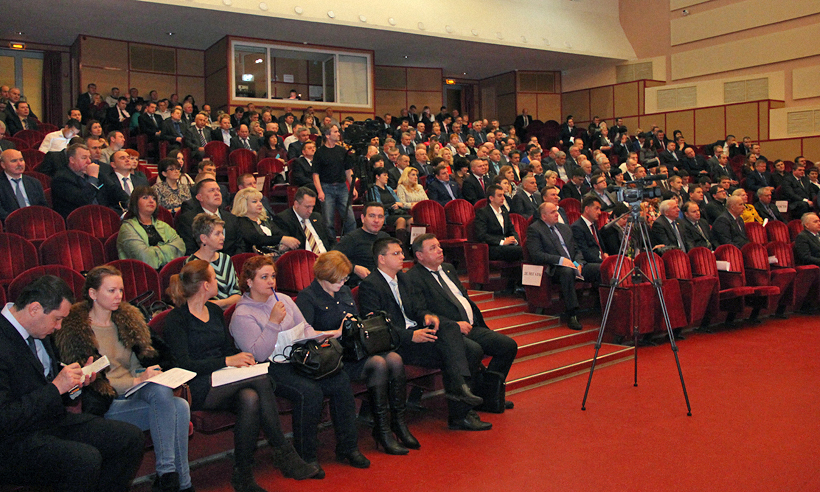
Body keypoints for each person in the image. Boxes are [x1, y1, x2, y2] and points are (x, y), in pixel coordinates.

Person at [164, 260, 319, 491]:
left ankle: (243, 473)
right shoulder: (176, 319)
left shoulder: (214, 311)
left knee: (250, 398)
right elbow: (184, 364)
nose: (218, 282)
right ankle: (283, 451)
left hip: (224, 379)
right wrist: (227, 362)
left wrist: (239, 360)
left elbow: (226, 349)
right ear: (205, 285)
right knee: (261, 379)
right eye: (214, 278)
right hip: (196, 385)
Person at [0, 275, 144, 492]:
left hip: (49, 422)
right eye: (57, 319)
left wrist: (77, 384)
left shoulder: (39, 330)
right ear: (34, 309)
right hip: (12, 439)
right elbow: (5, 417)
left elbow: (60, 396)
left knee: (130, 438)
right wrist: (56, 387)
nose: (59, 327)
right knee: (84, 460)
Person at [54, 266, 192, 492]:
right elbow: (94, 382)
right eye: (111, 290)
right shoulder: (75, 331)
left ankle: (171, 478)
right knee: (179, 406)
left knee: (167, 395)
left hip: (136, 393)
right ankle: (176, 480)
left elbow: (136, 366)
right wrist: (136, 381)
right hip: (107, 402)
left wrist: (147, 375)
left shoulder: (127, 321)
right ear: (93, 294)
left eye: (120, 290)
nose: (118, 295)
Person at [229, 256, 369, 475]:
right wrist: (273, 322)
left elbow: (305, 329)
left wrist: (328, 335)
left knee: (340, 380)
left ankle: (348, 447)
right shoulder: (242, 314)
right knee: (309, 392)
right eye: (264, 277)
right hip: (268, 369)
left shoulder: (283, 299)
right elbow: (258, 354)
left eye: (273, 276)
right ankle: (306, 456)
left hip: (295, 357)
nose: (271, 281)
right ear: (249, 281)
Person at [358, 238, 491, 431]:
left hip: (418, 333)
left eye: (401, 252)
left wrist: (426, 316)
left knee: (463, 341)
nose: (402, 257)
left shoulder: (403, 279)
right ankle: (460, 398)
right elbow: (378, 326)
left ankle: (460, 400)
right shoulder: (370, 285)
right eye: (396, 253)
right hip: (399, 343)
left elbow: (417, 309)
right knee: (464, 349)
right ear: (382, 259)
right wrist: (410, 336)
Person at [295, 251, 419, 454]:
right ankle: (382, 429)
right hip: (331, 357)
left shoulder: (343, 291)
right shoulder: (307, 297)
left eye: (345, 278)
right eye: (339, 278)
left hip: (355, 349)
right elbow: (303, 335)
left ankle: (397, 423)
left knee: (395, 359)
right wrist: (336, 332)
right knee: (378, 364)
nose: (343, 282)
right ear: (325, 275)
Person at [406, 234, 518, 410]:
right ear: (419, 255)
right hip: (447, 332)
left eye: (439, 246)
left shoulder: (448, 268)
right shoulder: (413, 278)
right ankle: (467, 403)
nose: (440, 250)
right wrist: (454, 325)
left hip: (471, 326)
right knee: (474, 350)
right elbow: (420, 312)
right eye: (433, 248)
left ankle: (488, 396)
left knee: (507, 346)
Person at [527, 202, 601, 330]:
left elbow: (577, 250)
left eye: (556, 211)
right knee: (567, 271)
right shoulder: (535, 229)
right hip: (554, 268)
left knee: (600, 269)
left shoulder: (565, 228)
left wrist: (579, 263)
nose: (557, 214)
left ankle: (601, 306)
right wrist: (561, 260)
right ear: (544, 216)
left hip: (574, 264)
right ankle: (572, 313)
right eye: (553, 212)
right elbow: (536, 255)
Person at [117, 186, 185, 269]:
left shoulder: (163, 225)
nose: (151, 201)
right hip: (140, 273)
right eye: (145, 198)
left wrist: (154, 250)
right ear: (135, 202)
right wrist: (168, 249)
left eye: (154, 198)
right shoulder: (127, 228)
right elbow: (145, 258)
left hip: (169, 271)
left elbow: (181, 247)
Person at [186, 213, 242, 309]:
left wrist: (221, 303)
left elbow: (237, 294)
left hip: (231, 310)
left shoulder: (226, 259)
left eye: (222, 233)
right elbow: (197, 300)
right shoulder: (192, 263)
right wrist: (225, 303)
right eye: (217, 234)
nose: (223, 237)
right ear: (203, 238)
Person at [176, 178, 244, 256]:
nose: (217, 193)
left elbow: (240, 245)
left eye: (218, 190)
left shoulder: (231, 218)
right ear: (200, 197)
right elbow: (190, 248)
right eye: (211, 190)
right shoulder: (188, 219)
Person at [313, 124, 357, 238]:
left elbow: (348, 171)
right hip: (326, 187)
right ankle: (331, 244)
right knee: (328, 221)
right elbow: (315, 175)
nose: (338, 134)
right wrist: (320, 191)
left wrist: (353, 187)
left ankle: (351, 241)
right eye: (335, 132)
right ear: (328, 135)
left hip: (342, 187)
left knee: (350, 218)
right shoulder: (319, 152)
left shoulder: (342, 151)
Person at [232, 187, 299, 255]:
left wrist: (281, 245)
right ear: (243, 204)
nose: (260, 204)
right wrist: (281, 239)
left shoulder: (265, 219)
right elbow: (258, 239)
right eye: (254, 202)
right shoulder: (240, 221)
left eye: (260, 201)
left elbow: (278, 232)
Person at [273, 187, 334, 254]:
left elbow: (331, 241)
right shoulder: (284, 219)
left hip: (326, 256)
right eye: (307, 207)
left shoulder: (317, 217)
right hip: (306, 258)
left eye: (312, 206)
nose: (310, 211)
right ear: (296, 204)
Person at [474, 184, 522, 262]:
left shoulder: (504, 212)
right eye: (500, 195)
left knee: (525, 249)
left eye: (503, 195)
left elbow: (512, 230)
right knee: (522, 251)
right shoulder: (483, 213)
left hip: (507, 246)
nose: (503, 198)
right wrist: (502, 242)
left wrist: (514, 239)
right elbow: (482, 235)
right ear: (491, 198)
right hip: (492, 247)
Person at [0, 148, 48, 220]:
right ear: (3, 165)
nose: (19, 164)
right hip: (11, 223)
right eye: (14, 161)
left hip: (35, 221)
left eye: (21, 160)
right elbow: (1, 213)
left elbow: (43, 207)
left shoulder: (34, 182)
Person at [367, 167, 412, 234]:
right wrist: (391, 205)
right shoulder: (373, 189)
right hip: (386, 214)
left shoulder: (389, 189)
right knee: (401, 220)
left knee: (411, 220)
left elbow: (398, 202)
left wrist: (397, 205)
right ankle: (400, 240)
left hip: (395, 212)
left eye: (387, 175)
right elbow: (378, 205)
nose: (387, 177)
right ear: (377, 176)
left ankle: (410, 240)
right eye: (384, 175)